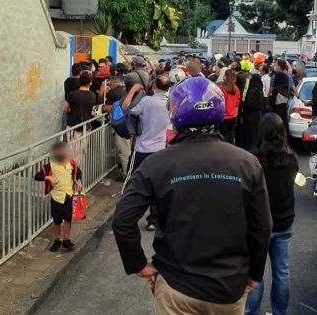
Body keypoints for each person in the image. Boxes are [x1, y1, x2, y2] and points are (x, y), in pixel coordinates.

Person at [112, 77, 272, 315]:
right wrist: (253, 274)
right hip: (229, 288)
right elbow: (262, 226)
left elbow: (122, 220)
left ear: (175, 114)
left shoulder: (157, 163)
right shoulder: (247, 163)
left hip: (176, 287)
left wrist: (138, 265)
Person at [244, 113, 298, 315]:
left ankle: (252, 312)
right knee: (282, 271)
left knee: (255, 272)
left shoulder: (253, 160)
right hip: (284, 222)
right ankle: (279, 312)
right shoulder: (291, 158)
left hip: (258, 224)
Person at [121, 74, 171, 231]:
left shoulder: (146, 101)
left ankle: (125, 214)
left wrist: (133, 90)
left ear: (154, 86)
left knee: (131, 181)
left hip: (142, 148)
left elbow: (125, 108)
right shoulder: (171, 104)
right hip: (161, 150)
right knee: (158, 184)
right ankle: (153, 220)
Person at [34, 141, 83, 252]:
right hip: (57, 197)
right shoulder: (50, 166)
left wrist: (79, 181)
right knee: (57, 220)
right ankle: (57, 239)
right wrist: (49, 178)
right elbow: (37, 176)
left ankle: (66, 239)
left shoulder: (72, 164)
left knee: (68, 219)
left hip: (69, 196)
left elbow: (78, 173)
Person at [101, 77, 131, 181]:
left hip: (121, 125)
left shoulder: (112, 92)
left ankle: (127, 175)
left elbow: (110, 108)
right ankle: (125, 171)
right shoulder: (124, 91)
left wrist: (102, 107)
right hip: (128, 124)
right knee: (127, 148)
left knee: (123, 150)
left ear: (112, 84)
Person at [62, 71, 96, 138]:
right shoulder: (93, 95)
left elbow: (64, 108)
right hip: (86, 126)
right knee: (83, 147)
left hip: (73, 126)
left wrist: (71, 109)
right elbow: (93, 111)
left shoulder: (72, 94)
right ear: (90, 83)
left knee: (71, 147)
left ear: (79, 81)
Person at [242, 74, 264, 150]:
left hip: (251, 116)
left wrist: (243, 103)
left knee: (250, 134)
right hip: (257, 116)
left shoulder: (253, 91)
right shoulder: (259, 90)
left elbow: (249, 104)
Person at [219, 69, 241, 144]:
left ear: (225, 76)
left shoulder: (221, 89)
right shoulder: (237, 89)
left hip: (223, 118)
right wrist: (236, 116)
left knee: (224, 139)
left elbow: (219, 105)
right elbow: (237, 105)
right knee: (231, 138)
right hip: (233, 117)